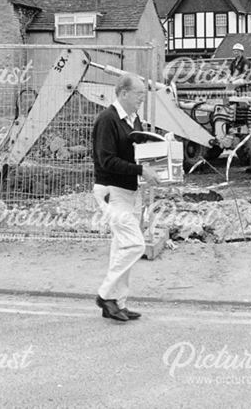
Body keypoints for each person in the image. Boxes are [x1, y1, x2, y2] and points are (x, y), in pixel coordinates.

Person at [92, 74, 160, 323]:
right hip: (112, 192)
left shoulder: (134, 120)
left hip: (128, 192)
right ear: (122, 93)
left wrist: (159, 150)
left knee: (121, 248)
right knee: (135, 245)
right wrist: (141, 170)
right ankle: (105, 294)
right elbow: (106, 160)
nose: (142, 98)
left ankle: (118, 303)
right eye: (139, 94)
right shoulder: (107, 120)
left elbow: (135, 153)